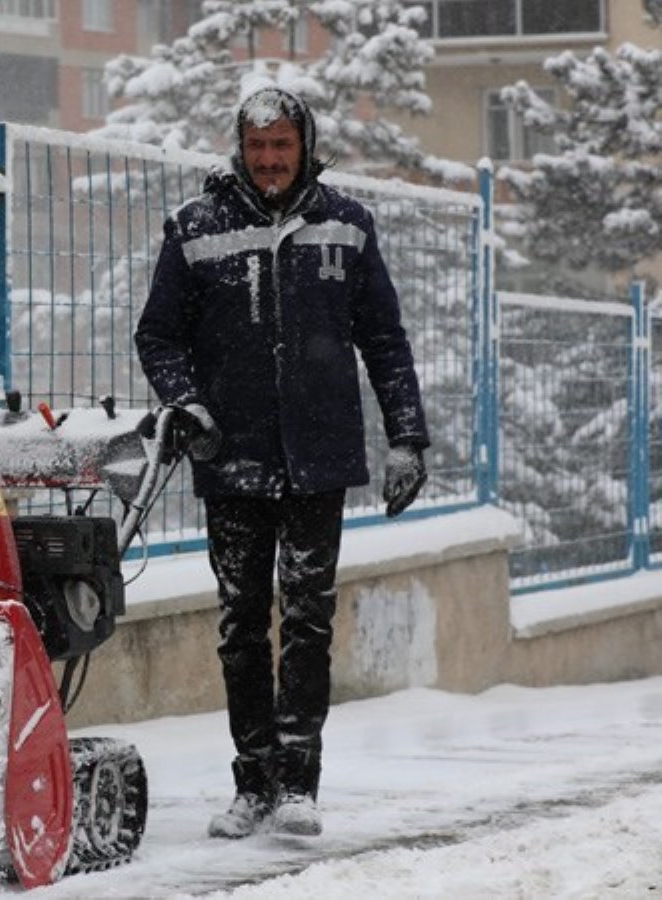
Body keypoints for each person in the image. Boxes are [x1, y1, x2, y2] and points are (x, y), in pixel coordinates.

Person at [135, 86, 429, 838]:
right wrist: (187, 402)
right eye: (258, 147)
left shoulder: (347, 227)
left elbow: (385, 341)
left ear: (305, 146)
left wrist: (407, 438)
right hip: (230, 459)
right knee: (240, 623)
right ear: (241, 148)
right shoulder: (194, 228)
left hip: (318, 458)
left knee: (307, 621)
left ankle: (299, 786)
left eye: (282, 147)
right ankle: (252, 784)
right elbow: (158, 336)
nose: (270, 161)